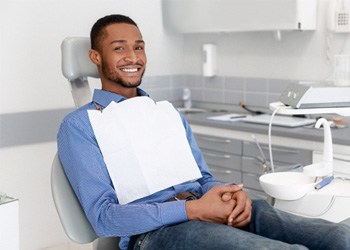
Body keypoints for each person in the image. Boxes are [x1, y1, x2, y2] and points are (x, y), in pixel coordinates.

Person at [57, 14, 350, 250]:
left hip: (208, 212)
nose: (133, 57)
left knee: (339, 238)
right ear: (96, 57)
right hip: (154, 235)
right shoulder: (80, 126)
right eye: (119, 48)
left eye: (139, 47)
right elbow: (103, 219)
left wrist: (230, 196)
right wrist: (192, 210)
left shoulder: (166, 114)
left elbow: (204, 180)